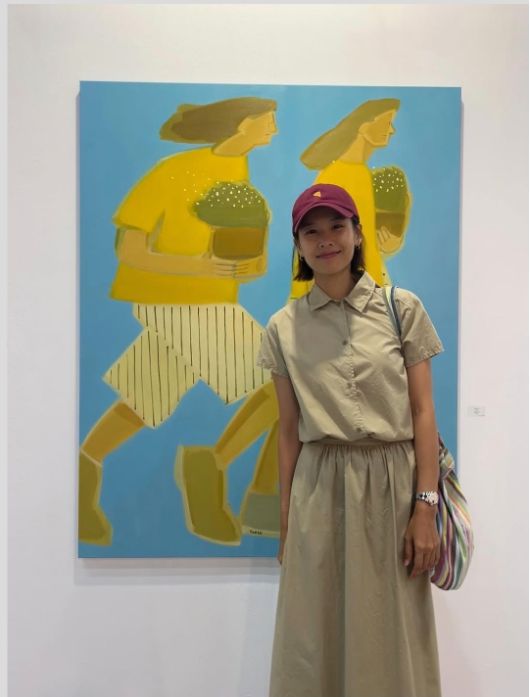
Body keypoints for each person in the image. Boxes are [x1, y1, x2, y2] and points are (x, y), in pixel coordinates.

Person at [256, 183, 444, 697]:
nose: (326, 240)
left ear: (358, 233)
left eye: (337, 226)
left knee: (393, 628)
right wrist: (287, 523)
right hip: (319, 487)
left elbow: (423, 412)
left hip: (393, 485)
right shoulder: (282, 327)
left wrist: (425, 507)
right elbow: (289, 430)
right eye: (311, 232)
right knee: (313, 630)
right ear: (298, 246)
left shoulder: (401, 308)